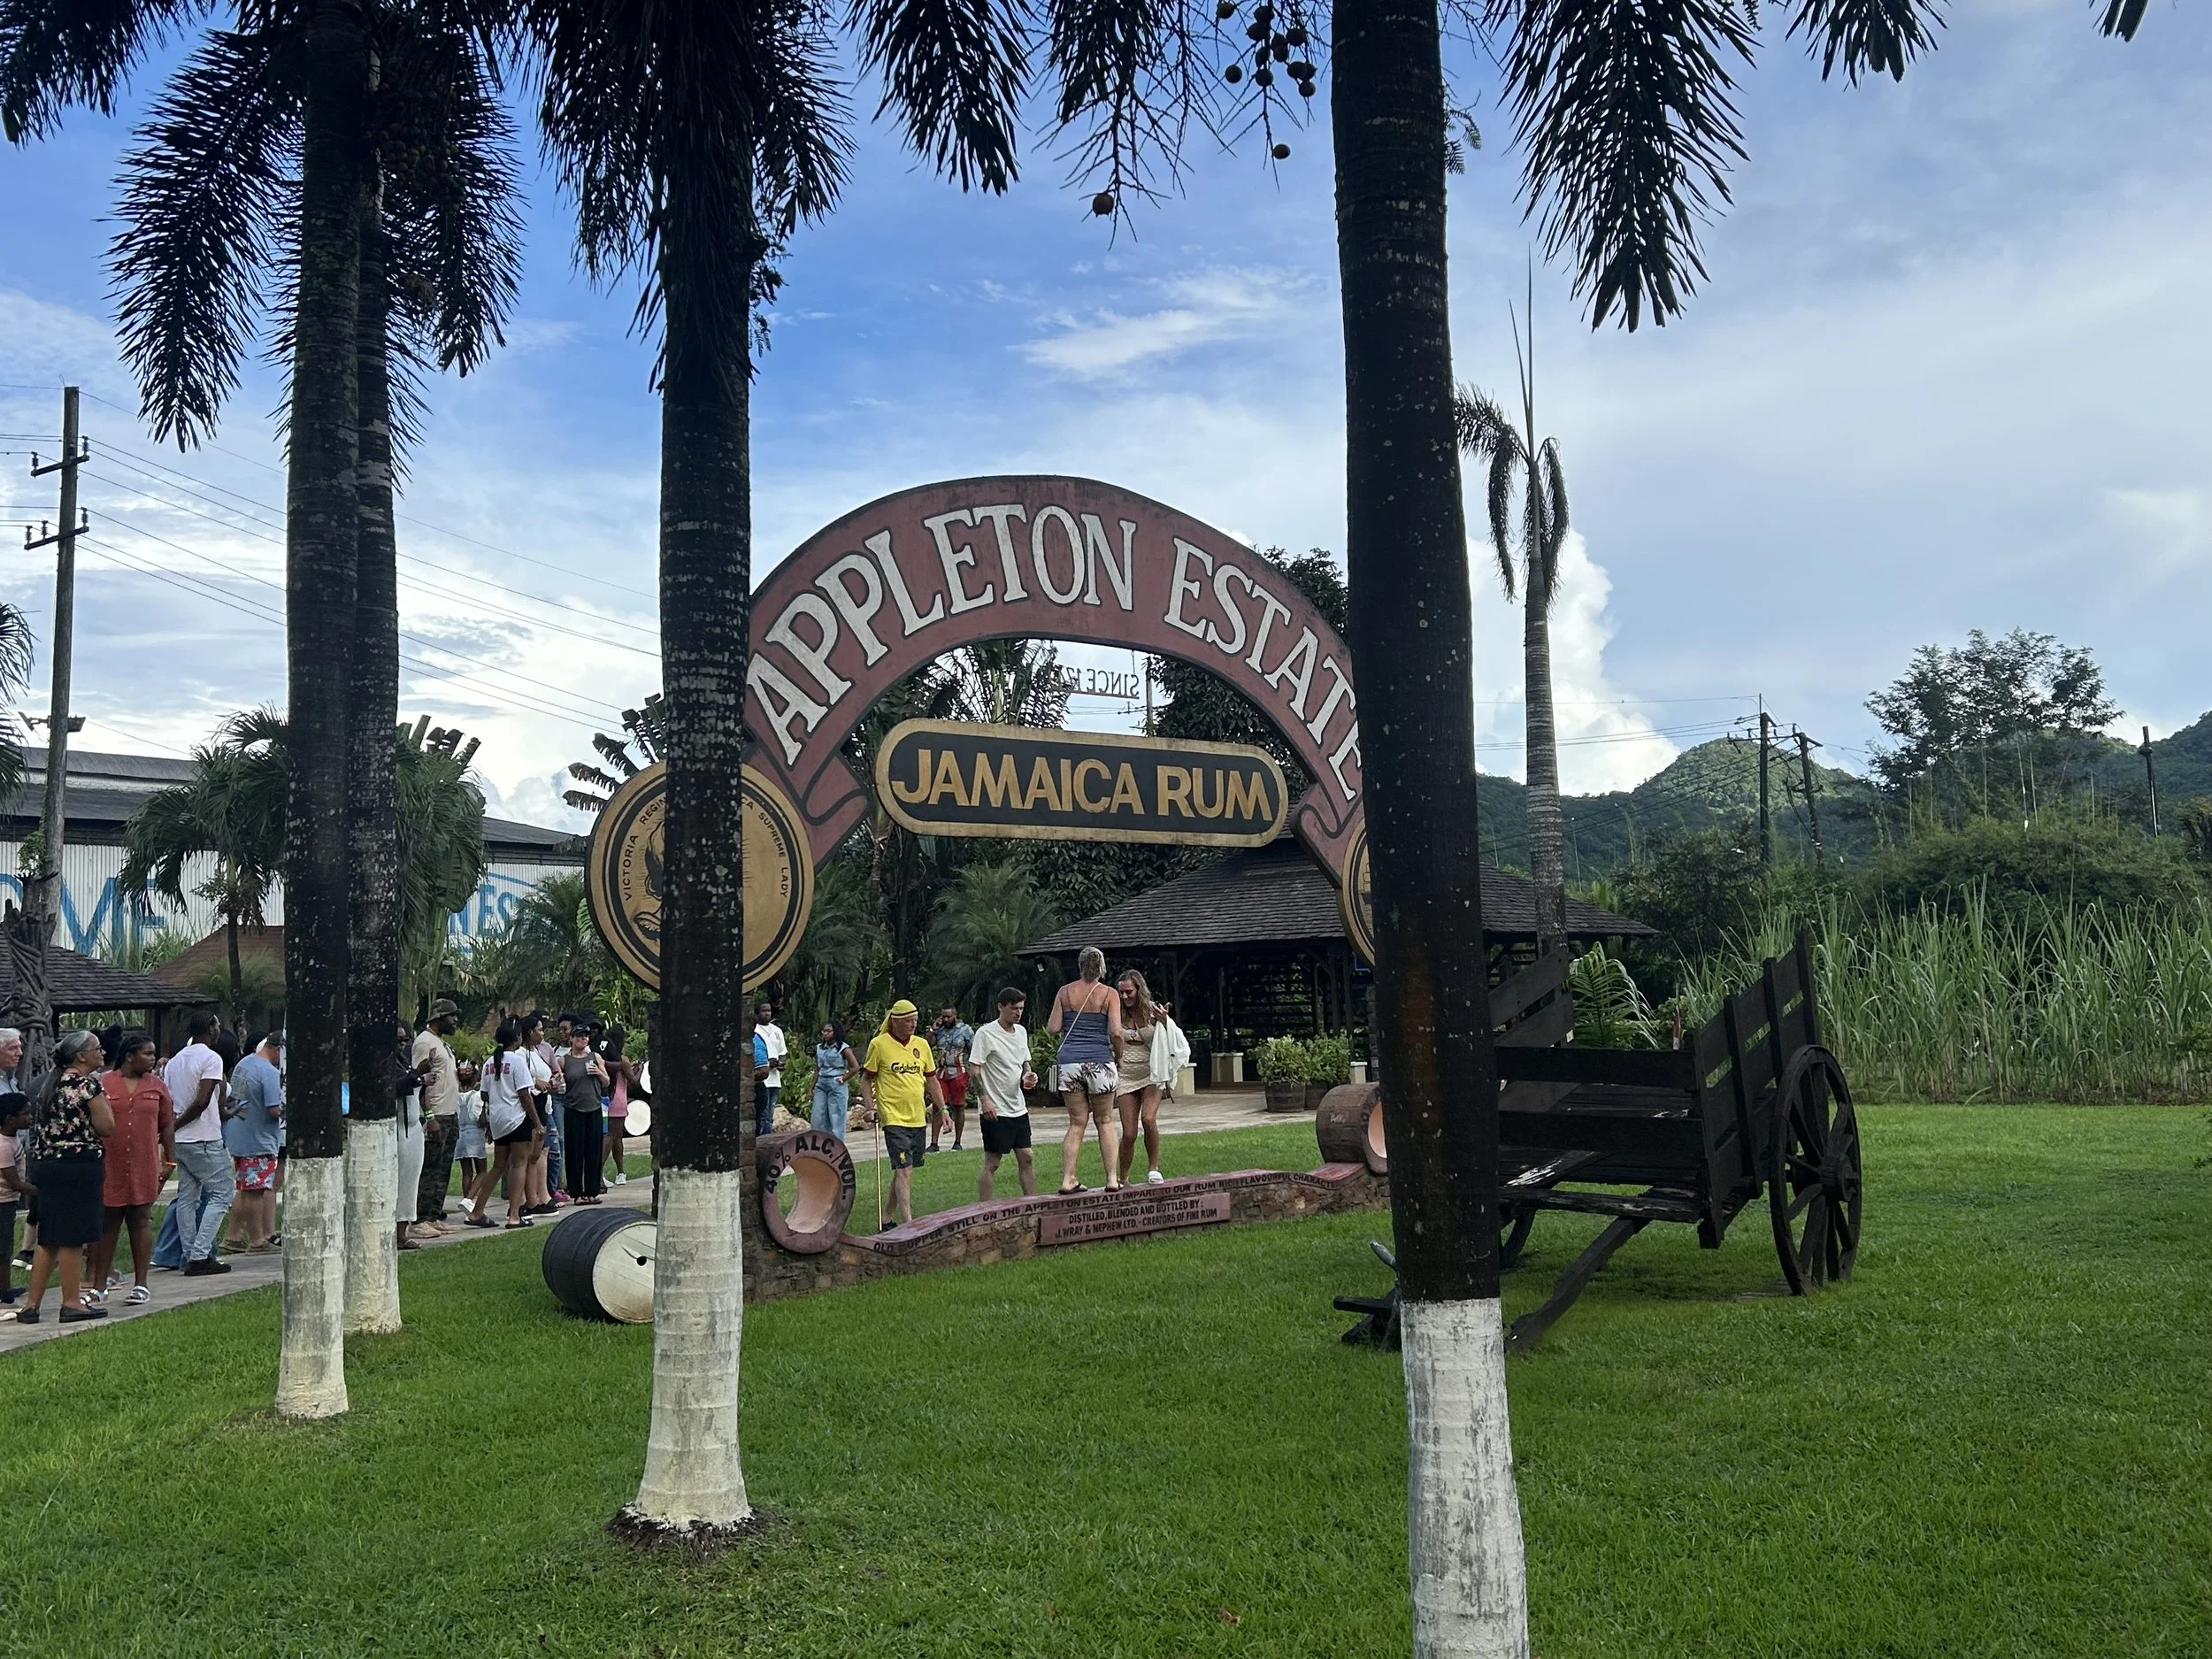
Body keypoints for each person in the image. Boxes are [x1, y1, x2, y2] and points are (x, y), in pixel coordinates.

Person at [16, 1031, 112, 1322]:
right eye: (97, 1048)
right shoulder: (87, 1085)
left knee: (49, 1236)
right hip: (78, 1165)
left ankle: (31, 1305)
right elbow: (107, 1127)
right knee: (72, 1236)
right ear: (81, 1056)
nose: (102, 1053)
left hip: (47, 1164)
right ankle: (71, 1302)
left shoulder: (47, 1083)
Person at [91, 1032, 173, 1306]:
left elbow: (167, 1125)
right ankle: (99, 1285)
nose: (153, 1059)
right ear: (129, 1056)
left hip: (143, 1162)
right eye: (147, 1054)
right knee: (108, 1223)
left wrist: (170, 1160)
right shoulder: (104, 1083)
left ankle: (141, 1284)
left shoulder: (157, 1086)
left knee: (140, 1220)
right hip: (110, 1163)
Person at [162, 1011, 235, 1276]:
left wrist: (172, 1129)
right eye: (217, 1027)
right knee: (222, 1193)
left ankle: (189, 1253)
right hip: (203, 1138)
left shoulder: (174, 1062)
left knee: (187, 1197)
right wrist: (177, 1124)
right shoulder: (211, 1058)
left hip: (181, 1142)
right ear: (211, 1030)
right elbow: (202, 1101)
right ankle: (200, 1254)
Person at [857, 1001, 942, 1228]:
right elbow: (866, 1080)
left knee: (903, 1168)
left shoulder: (922, 1045)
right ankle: (908, 1224)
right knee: (904, 1169)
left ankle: (887, 1217)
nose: (913, 1025)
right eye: (908, 1021)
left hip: (917, 1117)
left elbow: (932, 1080)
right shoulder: (879, 1044)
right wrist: (870, 1107)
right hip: (892, 1117)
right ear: (895, 1021)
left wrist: (943, 1110)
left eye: (915, 1020)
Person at [1047, 946, 1124, 1196]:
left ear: (1080, 966)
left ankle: (1068, 1178)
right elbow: (1116, 1032)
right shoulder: (1109, 994)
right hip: (1099, 1060)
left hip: (1070, 1062)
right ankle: (1112, 1179)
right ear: (1102, 967)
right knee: (1105, 1120)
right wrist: (1118, 1056)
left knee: (1077, 1122)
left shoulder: (1064, 992)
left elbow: (1053, 1027)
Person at [464, 1019, 541, 1230]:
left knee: (498, 1166)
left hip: (498, 1120)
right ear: (517, 1038)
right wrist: (537, 1123)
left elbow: (485, 1094)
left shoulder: (489, 1062)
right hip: (517, 1119)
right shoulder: (517, 1061)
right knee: (519, 1164)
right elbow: (524, 1095)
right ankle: (514, 1215)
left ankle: (477, 1211)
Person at [968, 987, 1039, 1200]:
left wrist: (1028, 1075)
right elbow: (975, 1069)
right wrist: (984, 1100)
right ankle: (985, 1208)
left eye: (1021, 1008)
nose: (1018, 1013)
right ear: (1001, 1007)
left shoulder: (1021, 1032)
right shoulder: (986, 1034)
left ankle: (1032, 1203)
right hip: (995, 1108)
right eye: (1013, 1008)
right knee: (993, 1161)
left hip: (1018, 1106)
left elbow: (1024, 1062)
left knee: (1026, 1156)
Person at [223, 1032, 284, 1253]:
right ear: (278, 1050)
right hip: (259, 1139)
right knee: (257, 1190)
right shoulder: (270, 1073)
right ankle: (257, 1239)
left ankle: (233, 1236)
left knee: (244, 1189)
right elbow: (274, 1110)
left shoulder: (244, 1064)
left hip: (239, 1134)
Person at [412, 1000, 463, 1235]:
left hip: (450, 1113)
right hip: (436, 1114)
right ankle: (419, 1219)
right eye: (451, 1016)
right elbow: (419, 1081)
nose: (455, 1020)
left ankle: (433, 1216)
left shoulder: (441, 1043)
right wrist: (429, 1116)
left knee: (443, 1169)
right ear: (438, 1018)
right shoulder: (424, 1042)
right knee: (430, 1168)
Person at [395, 1021, 434, 1252]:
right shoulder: (388, 1064)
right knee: (401, 1182)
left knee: (410, 1183)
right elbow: (395, 1087)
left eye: (405, 1040)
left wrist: (420, 1078)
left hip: (413, 1126)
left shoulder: (403, 1061)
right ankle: (397, 1233)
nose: (402, 1044)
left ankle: (403, 1230)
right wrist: (417, 1073)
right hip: (400, 1129)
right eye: (398, 1040)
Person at [559, 1024, 609, 1205]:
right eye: (580, 1036)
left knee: (594, 1151)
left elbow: (606, 1082)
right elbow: (558, 1082)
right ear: (572, 1038)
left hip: (593, 1108)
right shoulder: (564, 1061)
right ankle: (577, 1193)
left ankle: (592, 1191)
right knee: (575, 1152)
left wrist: (599, 1073)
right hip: (573, 1110)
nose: (583, 1039)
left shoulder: (595, 1057)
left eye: (586, 1036)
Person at [930, 1005, 975, 1152]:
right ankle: (934, 1143)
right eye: (943, 1016)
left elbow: (974, 1051)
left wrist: (972, 1075)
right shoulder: (940, 1030)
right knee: (938, 1105)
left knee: (958, 1105)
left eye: (948, 1016)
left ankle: (957, 1141)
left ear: (955, 1015)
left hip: (959, 1071)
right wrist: (933, 1029)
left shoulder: (965, 1030)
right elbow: (927, 1044)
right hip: (942, 1072)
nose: (945, 1019)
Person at [0, 1094, 31, 1302]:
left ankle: (6, 1286)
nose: (30, 1117)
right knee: (3, 1249)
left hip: (8, 1202)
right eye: (26, 1114)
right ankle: (4, 1292)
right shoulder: (4, 1146)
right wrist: (42, 1192)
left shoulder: (13, 1139)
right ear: (10, 1119)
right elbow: (15, 1183)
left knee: (6, 1246)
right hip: (3, 1203)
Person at [810, 1021, 857, 1141]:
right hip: (821, 1083)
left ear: (835, 1032)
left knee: (836, 1118)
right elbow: (817, 1068)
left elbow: (855, 1067)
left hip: (836, 1083)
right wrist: (811, 1088)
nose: (825, 1034)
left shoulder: (843, 1048)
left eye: (828, 1031)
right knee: (817, 1117)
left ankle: (836, 1146)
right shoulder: (820, 1048)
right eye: (824, 1031)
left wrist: (844, 1078)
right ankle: (817, 1144)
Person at [599, 1025, 631, 1186]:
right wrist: (637, 1070)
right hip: (618, 1100)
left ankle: (620, 1172)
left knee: (614, 1136)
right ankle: (600, 1172)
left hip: (607, 1099)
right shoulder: (622, 1060)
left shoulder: (604, 1058)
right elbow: (634, 1080)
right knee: (612, 1137)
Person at [453, 1060, 488, 1197]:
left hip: (460, 1135)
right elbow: (482, 1119)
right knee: (482, 1171)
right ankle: (468, 1199)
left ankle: (467, 1201)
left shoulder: (456, 1096)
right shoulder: (478, 1096)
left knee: (466, 1172)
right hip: (475, 1135)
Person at [753, 999, 786, 1137]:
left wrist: (781, 1063)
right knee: (763, 1114)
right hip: (762, 1079)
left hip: (775, 1080)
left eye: (769, 1011)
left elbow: (782, 1052)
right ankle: (762, 1139)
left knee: (770, 1115)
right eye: (764, 1011)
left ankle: (768, 1139)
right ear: (758, 1013)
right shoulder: (754, 1031)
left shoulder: (777, 1031)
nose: (767, 1013)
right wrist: (767, 1063)